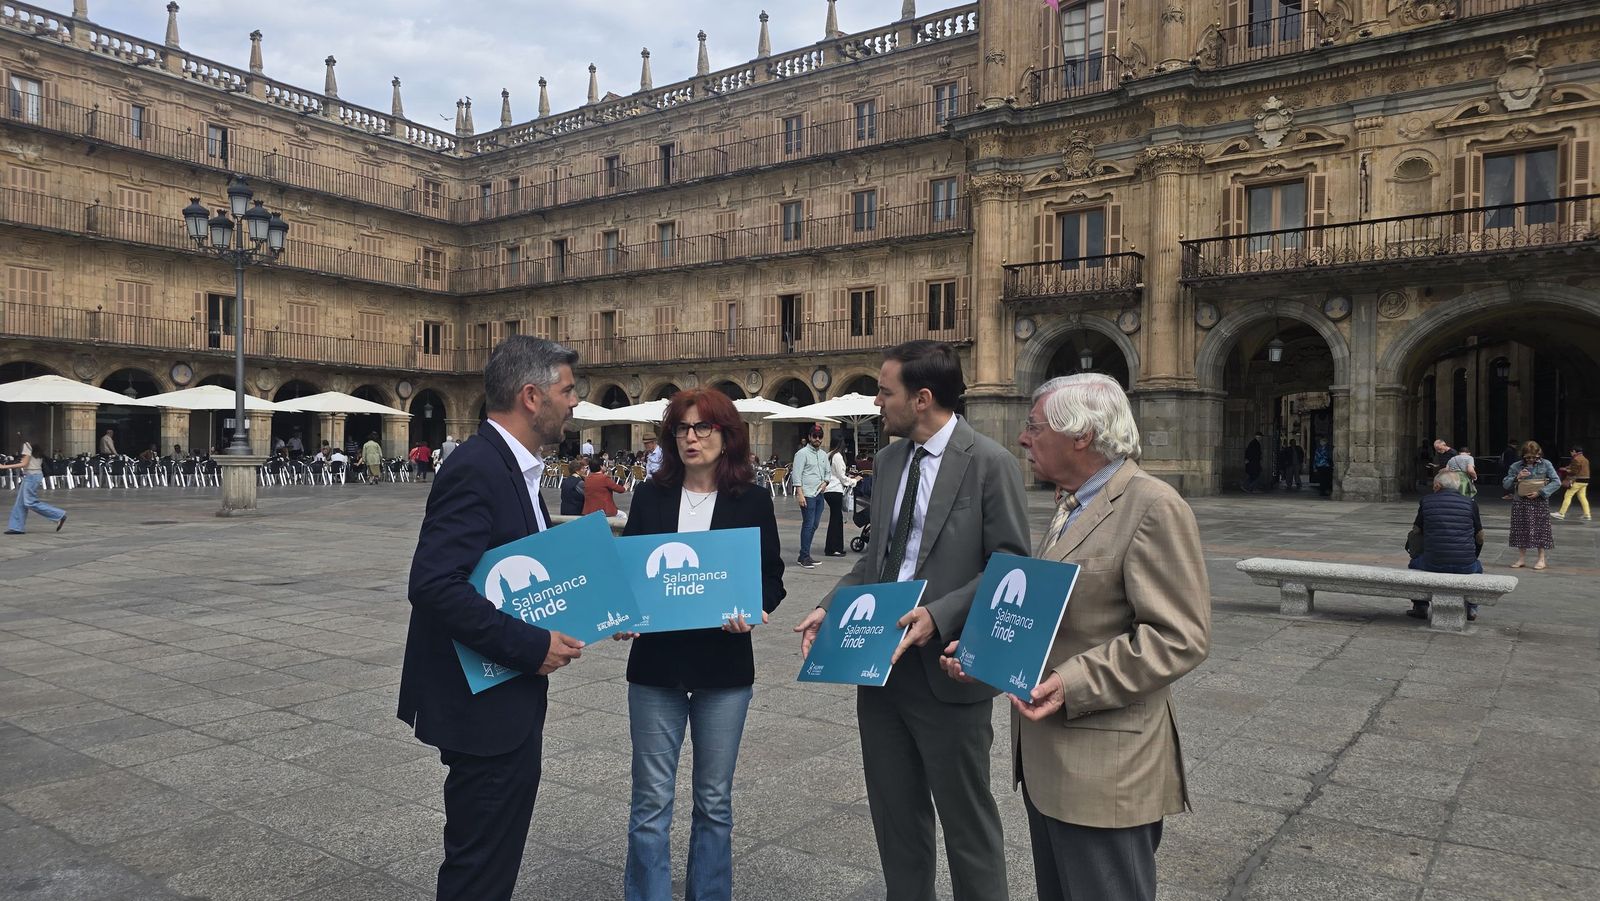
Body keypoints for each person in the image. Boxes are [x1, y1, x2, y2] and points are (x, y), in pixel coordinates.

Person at [943, 373, 1210, 901]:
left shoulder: (1153, 505)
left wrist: (1071, 682)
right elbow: (1057, 618)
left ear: (1081, 435)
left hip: (1106, 770)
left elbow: (1179, 636)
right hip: (1050, 763)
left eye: (1034, 427)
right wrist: (987, 654)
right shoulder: (1072, 503)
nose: (1022, 438)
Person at [794, 341, 1028, 901]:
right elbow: (879, 557)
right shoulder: (893, 459)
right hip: (880, 668)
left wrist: (940, 615)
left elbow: (1012, 564)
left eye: (884, 391)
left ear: (922, 399)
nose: (877, 402)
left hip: (947, 673)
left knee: (967, 823)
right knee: (896, 819)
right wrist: (833, 602)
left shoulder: (991, 463)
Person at [398, 336, 586, 901]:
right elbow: (433, 584)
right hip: (481, 704)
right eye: (568, 389)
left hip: (504, 696)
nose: (575, 401)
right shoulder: (478, 467)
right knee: (479, 867)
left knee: (493, 856)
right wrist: (530, 647)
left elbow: (525, 567)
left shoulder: (514, 469)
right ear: (532, 396)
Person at [613, 388, 785, 901]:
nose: (691, 438)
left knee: (714, 801)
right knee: (650, 801)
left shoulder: (752, 500)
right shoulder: (650, 496)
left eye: (703, 428)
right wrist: (624, 615)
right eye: (682, 429)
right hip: (656, 668)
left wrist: (755, 612)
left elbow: (771, 576)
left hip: (724, 667)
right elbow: (630, 575)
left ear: (727, 436)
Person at [1405, 470, 1486, 622]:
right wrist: (1473, 556)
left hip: (1432, 563)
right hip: (1465, 565)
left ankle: (1420, 606)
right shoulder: (1470, 503)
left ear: (1437, 485)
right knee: (1478, 568)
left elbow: (1416, 531)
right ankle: (1471, 607)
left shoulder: (1426, 501)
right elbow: (1480, 536)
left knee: (1414, 565)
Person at [1504, 440, 1560, 570]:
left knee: (1541, 530)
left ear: (1539, 454)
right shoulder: (1516, 466)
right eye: (1527, 457)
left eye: (1534, 457)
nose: (1530, 460)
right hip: (1520, 501)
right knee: (1520, 529)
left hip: (1539, 501)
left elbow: (1556, 481)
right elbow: (1506, 484)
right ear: (1522, 455)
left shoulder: (1546, 464)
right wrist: (1517, 477)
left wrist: (1541, 492)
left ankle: (1541, 559)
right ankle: (1521, 558)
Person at [2, 437, 67, 535]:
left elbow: (24, 463)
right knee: (20, 503)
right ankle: (16, 527)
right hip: (33, 475)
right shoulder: (36, 447)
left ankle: (59, 515)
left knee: (30, 502)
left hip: (31, 476)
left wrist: (4, 467)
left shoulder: (27, 445)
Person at [789, 427, 830, 568]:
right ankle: (804, 556)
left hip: (819, 494)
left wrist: (826, 482)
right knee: (808, 524)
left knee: (814, 524)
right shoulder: (802, 453)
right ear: (809, 436)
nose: (817, 439)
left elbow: (828, 472)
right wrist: (799, 493)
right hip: (807, 494)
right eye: (815, 436)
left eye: (820, 436)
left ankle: (805, 554)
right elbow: (797, 474)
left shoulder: (824, 455)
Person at [822, 434, 857, 557]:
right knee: (836, 520)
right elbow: (842, 477)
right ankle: (834, 548)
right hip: (835, 489)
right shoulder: (837, 456)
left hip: (827, 490)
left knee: (835, 518)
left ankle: (831, 547)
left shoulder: (828, 455)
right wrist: (854, 481)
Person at [582, 453, 628, 520]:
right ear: (601, 467)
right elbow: (618, 489)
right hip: (604, 510)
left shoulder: (587, 478)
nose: (605, 466)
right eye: (604, 465)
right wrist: (624, 488)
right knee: (623, 515)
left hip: (589, 510)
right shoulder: (604, 478)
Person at [1553, 446, 1589, 522]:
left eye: (1571, 452)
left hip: (1578, 480)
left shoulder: (1576, 459)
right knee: (1582, 497)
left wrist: (1565, 469)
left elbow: (1574, 471)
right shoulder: (1585, 459)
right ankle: (1587, 514)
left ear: (1574, 451)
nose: (1571, 454)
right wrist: (1568, 468)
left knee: (1568, 495)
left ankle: (1561, 513)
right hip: (1585, 480)